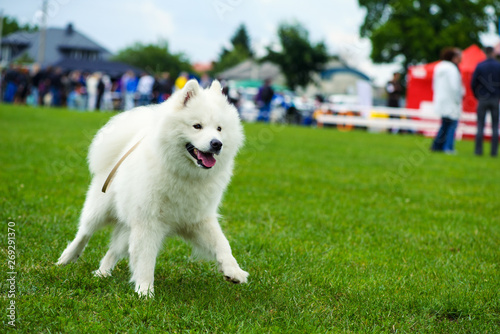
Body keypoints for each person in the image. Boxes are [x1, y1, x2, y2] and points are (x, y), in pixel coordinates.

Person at [430, 47, 464, 154]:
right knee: (452, 125)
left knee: (445, 124)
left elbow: (433, 85)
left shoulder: (438, 67)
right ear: (454, 58)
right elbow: (455, 87)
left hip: (441, 100)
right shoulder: (452, 69)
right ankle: (448, 147)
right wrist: (458, 99)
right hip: (451, 101)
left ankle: (437, 146)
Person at [471, 46, 500, 157]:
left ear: (485, 53)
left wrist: (477, 95)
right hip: (495, 99)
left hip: (482, 98)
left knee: (480, 126)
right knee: (495, 127)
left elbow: (473, 83)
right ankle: (494, 152)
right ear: (493, 53)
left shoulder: (480, 66)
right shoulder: (498, 65)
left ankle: (478, 151)